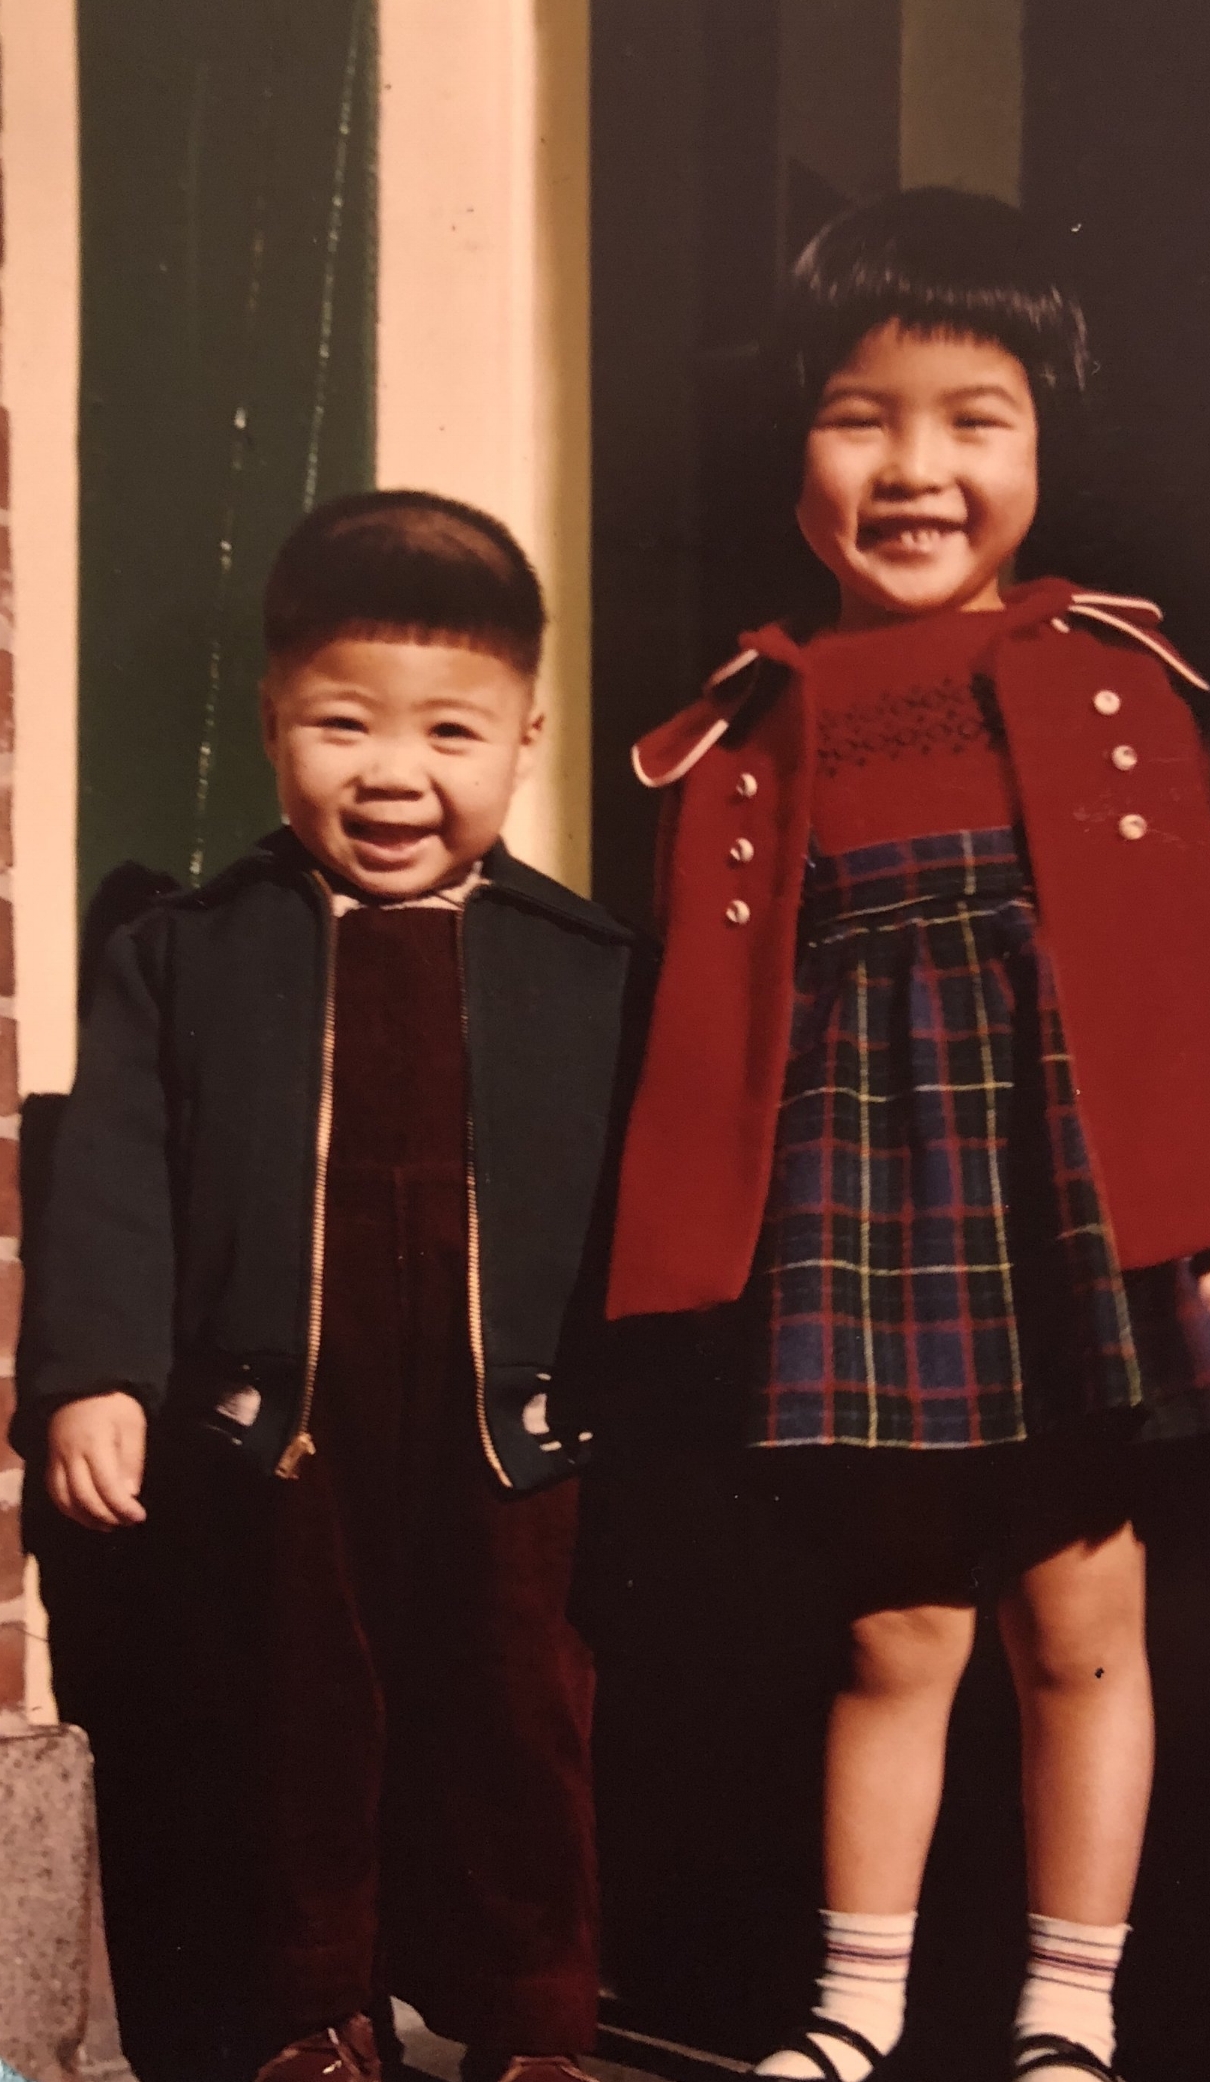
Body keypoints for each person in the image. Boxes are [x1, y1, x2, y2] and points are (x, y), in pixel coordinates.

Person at [604, 190, 1210, 2082]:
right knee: (897, 1623)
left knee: (1082, 1610)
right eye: (863, 415)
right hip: (862, 1211)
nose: (916, 465)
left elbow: (1196, 960)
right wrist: (711, 1239)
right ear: (795, 456)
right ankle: (855, 2008)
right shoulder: (744, 730)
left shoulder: (1108, 680)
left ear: (1040, 444)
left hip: (1067, 1190)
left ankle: (1068, 2013)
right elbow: (704, 1028)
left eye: (972, 416)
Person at [15, 491, 652, 2082]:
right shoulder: (189, 951)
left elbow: (650, 1209)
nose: (393, 772)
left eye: (451, 730)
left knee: (521, 1716)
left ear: (526, 735)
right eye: (342, 722)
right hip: (279, 1424)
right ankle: (314, 2015)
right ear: (273, 719)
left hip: (520, 1425)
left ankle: (534, 2019)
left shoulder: (585, 967)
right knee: (303, 1718)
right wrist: (95, 1368)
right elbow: (111, 1177)